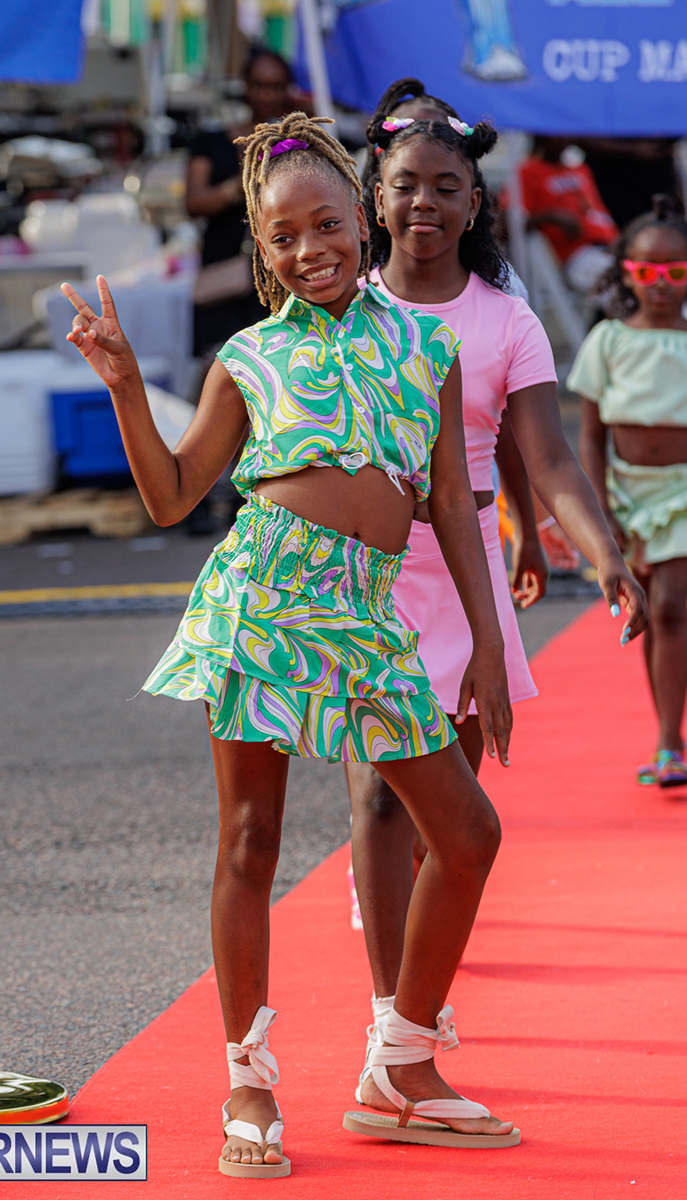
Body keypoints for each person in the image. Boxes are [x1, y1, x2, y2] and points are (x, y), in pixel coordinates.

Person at [61, 109, 549, 1174]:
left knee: (466, 836)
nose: (307, 249)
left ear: (360, 225)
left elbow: (456, 511)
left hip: (370, 617)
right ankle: (247, 1081)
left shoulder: (429, 346)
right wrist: (125, 385)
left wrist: (483, 641)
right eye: (281, 237)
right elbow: (170, 494)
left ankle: (400, 1063)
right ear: (261, 248)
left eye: (324, 224)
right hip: (265, 601)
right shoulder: (247, 357)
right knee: (249, 843)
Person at [345, 84, 648, 1100]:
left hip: (463, 571)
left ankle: (409, 1010)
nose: (422, 204)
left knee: (450, 816)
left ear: (474, 205)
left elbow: (550, 456)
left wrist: (597, 553)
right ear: (372, 198)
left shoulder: (506, 319)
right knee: (380, 809)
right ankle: (393, 1028)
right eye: (403, 187)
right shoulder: (345, 308)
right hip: (365, 574)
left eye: (445, 188)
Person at [574, 196, 687, 787]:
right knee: (652, 610)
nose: (661, 284)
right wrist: (600, 509)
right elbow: (590, 437)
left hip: (683, 494)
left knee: (671, 604)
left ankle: (671, 744)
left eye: (675, 271)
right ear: (626, 271)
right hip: (626, 493)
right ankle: (668, 729)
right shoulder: (608, 340)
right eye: (647, 271)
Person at [186, 48, 293, 357]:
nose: (267, 95)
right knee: (223, 361)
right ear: (245, 86)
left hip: (276, 275)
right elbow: (194, 202)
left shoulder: (297, 144)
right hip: (226, 267)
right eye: (259, 85)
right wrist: (240, 184)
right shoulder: (212, 141)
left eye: (276, 87)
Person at [513, 136, 618, 295]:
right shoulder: (527, 171)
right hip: (574, 257)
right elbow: (510, 225)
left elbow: (598, 211)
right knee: (619, 282)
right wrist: (550, 216)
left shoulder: (580, 169)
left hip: (607, 247)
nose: (564, 136)